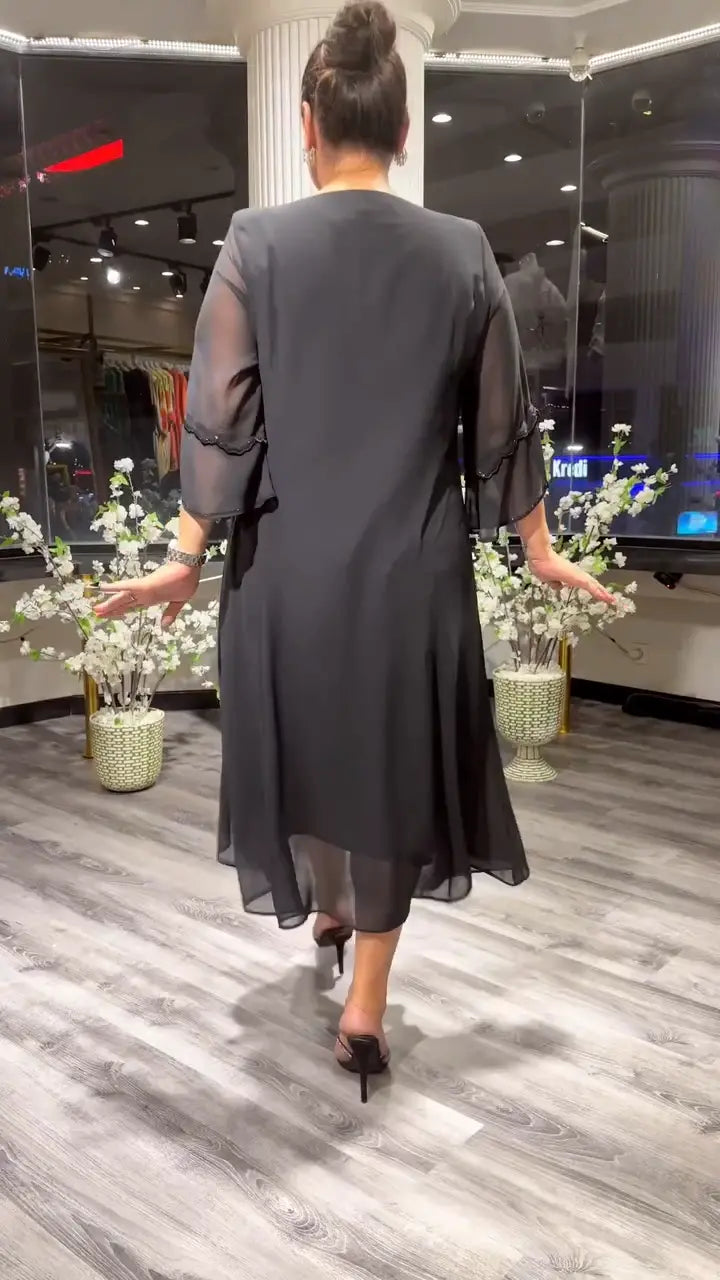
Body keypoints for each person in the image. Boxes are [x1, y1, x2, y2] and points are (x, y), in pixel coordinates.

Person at [97, 1, 613, 1103]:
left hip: (285, 575)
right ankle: (366, 1006)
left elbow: (221, 419)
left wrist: (184, 552)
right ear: (405, 132)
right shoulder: (463, 252)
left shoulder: (255, 244)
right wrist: (539, 545)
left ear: (307, 125)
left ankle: (328, 906)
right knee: (392, 768)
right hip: (412, 579)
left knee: (313, 749)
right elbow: (501, 427)